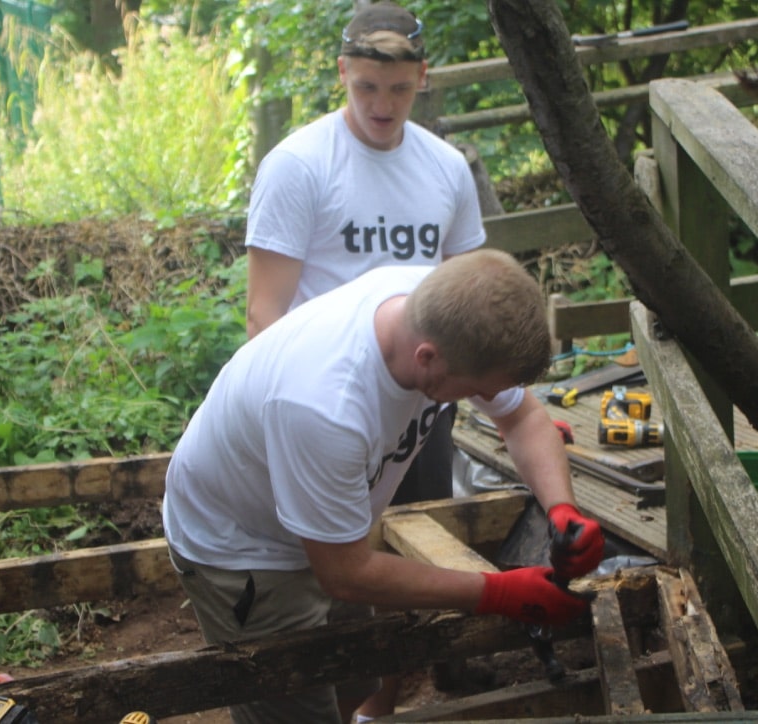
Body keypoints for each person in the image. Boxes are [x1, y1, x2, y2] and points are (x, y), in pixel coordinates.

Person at [163, 249, 605, 724]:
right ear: (428, 358)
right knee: (293, 710)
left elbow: (521, 417)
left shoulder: (441, 305)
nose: (490, 400)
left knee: (356, 678)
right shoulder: (324, 406)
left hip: (325, 532)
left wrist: (562, 510)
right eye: (479, 389)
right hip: (243, 552)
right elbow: (345, 574)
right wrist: (498, 593)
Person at [243, 6, 486, 714]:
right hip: (330, 405)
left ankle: (393, 700)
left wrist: (505, 402)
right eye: (368, 86)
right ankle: (332, 697)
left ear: (423, 80)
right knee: (333, 567)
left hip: (423, 401)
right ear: (344, 72)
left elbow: (472, 294)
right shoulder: (298, 166)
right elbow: (265, 315)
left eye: (399, 90)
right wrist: (289, 421)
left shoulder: (444, 169)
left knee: (421, 549)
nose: (382, 106)